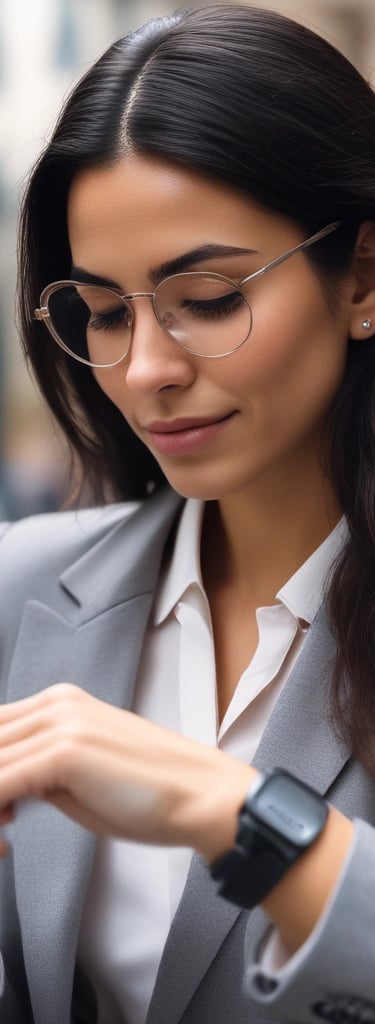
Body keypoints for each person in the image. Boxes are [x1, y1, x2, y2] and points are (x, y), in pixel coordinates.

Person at [1, 3, 375, 1021]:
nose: (146, 371)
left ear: (361, 277)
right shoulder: (19, 588)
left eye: (207, 297)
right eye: (103, 314)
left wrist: (232, 811)